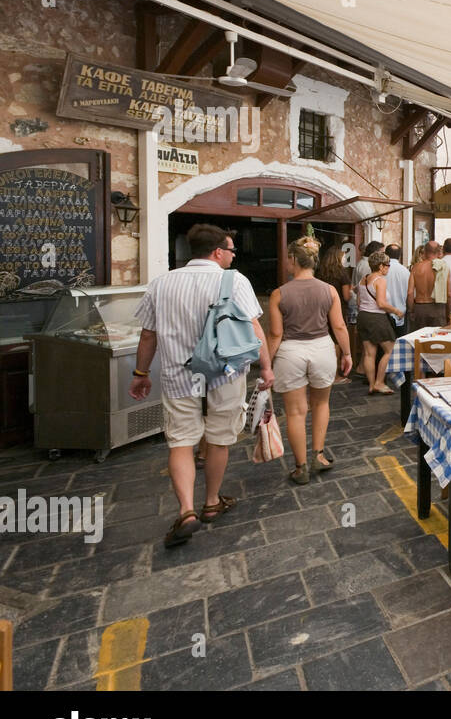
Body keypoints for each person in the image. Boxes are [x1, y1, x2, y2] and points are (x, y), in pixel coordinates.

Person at [129, 224, 272, 548]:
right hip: (225, 373)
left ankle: (186, 510)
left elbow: (148, 334)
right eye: (231, 251)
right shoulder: (234, 280)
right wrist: (266, 366)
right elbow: (253, 327)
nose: (233, 256)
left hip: (178, 374)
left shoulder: (161, 284)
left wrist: (141, 373)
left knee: (180, 441)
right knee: (219, 439)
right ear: (218, 251)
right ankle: (211, 501)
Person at [267, 240, 351, 485]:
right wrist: (346, 353)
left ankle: (300, 467)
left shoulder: (279, 293)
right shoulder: (329, 290)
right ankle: (319, 455)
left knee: (295, 411)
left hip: (290, 352)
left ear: (293, 260)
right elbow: (338, 325)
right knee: (321, 403)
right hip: (322, 348)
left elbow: (275, 334)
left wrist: (266, 364)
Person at [357, 250, 402, 394]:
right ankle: (379, 382)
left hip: (363, 316)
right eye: (387, 265)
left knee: (369, 354)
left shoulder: (363, 279)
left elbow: (359, 302)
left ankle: (371, 385)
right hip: (376, 318)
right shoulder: (380, 280)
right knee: (391, 350)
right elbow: (381, 303)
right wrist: (396, 310)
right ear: (381, 266)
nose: (388, 268)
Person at [317, 243, 353, 384]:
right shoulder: (342, 273)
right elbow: (346, 297)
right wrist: (351, 291)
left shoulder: (320, 272)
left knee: (326, 338)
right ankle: (335, 374)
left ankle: (324, 371)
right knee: (337, 341)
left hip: (322, 309)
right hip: (337, 309)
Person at [408, 240, 448, 330]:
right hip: (437, 307)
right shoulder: (442, 267)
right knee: (438, 339)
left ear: (425, 252)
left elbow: (410, 292)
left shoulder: (416, 267)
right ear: (438, 252)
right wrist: (448, 312)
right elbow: (449, 293)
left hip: (420, 307)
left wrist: (411, 310)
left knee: (419, 339)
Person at [383, 244, 410, 336]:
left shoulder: (381, 270)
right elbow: (409, 293)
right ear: (400, 256)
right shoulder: (405, 272)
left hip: (383, 313)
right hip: (400, 313)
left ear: (385, 254)